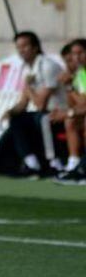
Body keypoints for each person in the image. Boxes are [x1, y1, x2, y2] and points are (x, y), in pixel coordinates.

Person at [3, 31, 64, 176]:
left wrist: (29, 87)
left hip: (57, 112)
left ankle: (55, 163)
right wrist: (10, 112)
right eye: (18, 47)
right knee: (17, 119)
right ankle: (31, 163)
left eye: (25, 46)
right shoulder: (28, 69)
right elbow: (23, 103)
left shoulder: (48, 66)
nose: (21, 51)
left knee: (41, 118)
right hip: (44, 113)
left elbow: (41, 105)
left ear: (35, 47)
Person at [54, 38, 86, 184]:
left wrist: (70, 88)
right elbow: (74, 104)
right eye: (74, 54)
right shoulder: (80, 74)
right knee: (70, 121)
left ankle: (81, 169)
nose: (77, 57)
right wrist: (68, 87)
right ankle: (73, 162)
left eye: (81, 53)